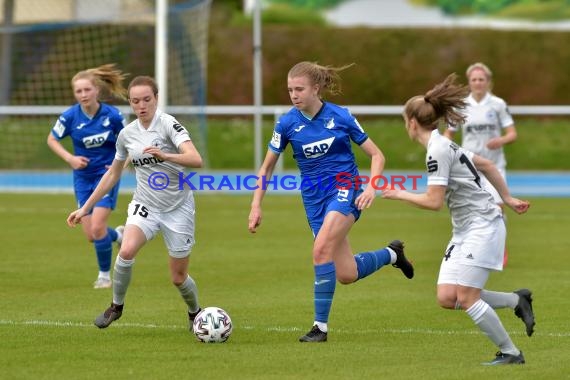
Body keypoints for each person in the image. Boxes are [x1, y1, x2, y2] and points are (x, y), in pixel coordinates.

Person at [248, 61, 414, 343]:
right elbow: (266, 168)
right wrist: (255, 204)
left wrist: (372, 186)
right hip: (313, 200)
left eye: (299, 89)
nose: (294, 95)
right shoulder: (287, 123)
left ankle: (319, 328)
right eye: (290, 90)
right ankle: (392, 254)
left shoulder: (341, 116)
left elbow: (377, 155)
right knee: (346, 274)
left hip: (345, 190)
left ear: (316, 88)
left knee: (320, 250)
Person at [382, 74, 535, 365]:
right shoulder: (442, 144)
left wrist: (400, 193)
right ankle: (517, 300)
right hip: (466, 228)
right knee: (447, 297)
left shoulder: (437, 150)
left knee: (466, 297)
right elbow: (487, 163)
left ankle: (511, 353)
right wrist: (509, 198)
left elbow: (434, 202)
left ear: (411, 123)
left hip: (483, 225)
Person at [66, 75, 203, 329]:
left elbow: (196, 159)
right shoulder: (127, 134)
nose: (142, 106)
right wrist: (85, 207)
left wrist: (166, 155)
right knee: (126, 251)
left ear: (156, 99)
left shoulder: (168, 125)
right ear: (130, 102)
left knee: (178, 277)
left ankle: (196, 312)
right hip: (145, 205)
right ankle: (116, 306)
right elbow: (113, 173)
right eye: (135, 101)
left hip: (178, 208)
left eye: (147, 100)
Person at [47, 64, 128, 289]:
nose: (83, 95)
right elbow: (52, 139)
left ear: (96, 91)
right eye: (78, 91)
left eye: (86, 90)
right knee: (92, 235)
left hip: (106, 177)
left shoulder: (112, 116)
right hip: (83, 178)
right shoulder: (70, 116)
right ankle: (119, 236)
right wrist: (70, 158)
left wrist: (118, 167)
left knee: (97, 228)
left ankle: (104, 276)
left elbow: (131, 144)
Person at [443, 63, 517, 266]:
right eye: (474, 80)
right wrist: (445, 149)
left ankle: (499, 247)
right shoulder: (461, 105)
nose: (478, 83)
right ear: (469, 82)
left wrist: (500, 140)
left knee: (498, 206)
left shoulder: (498, 104)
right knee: (473, 207)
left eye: (481, 79)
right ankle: (476, 247)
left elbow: (512, 134)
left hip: (494, 165)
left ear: (488, 82)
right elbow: (449, 133)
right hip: (471, 167)